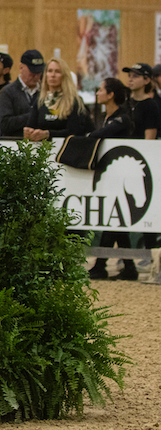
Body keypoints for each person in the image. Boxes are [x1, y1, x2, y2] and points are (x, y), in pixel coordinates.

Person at [86, 78, 136, 280]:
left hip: (122, 175)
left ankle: (101, 265)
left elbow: (101, 134)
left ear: (111, 94)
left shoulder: (122, 118)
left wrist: (89, 135)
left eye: (101, 90)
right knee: (115, 220)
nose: (97, 93)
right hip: (112, 175)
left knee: (113, 218)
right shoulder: (107, 116)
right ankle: (128, 266)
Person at [24, 58, 91, 141]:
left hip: (65, 149)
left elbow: (75, 132)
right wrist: (29, 131)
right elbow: (31, 125)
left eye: (57, 72)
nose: (53, 75)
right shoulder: (40, 100)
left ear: (64, 75)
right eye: (50, 71)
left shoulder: (74, 101)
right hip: (42, 150)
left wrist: (48, 134)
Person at [0, 49, 44, 138]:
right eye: (32, 72)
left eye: (39, 72)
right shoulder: (7, 92)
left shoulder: (45, 92)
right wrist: (35, 115)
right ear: (21, 67)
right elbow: (3, 124)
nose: (36, 76)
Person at [123, 63, 159, 140]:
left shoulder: (150, 105)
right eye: (129, 76)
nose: (130, 79)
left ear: (146, 80)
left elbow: (150, 138)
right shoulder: (125, 102)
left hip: (139, 149)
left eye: (135, 76)